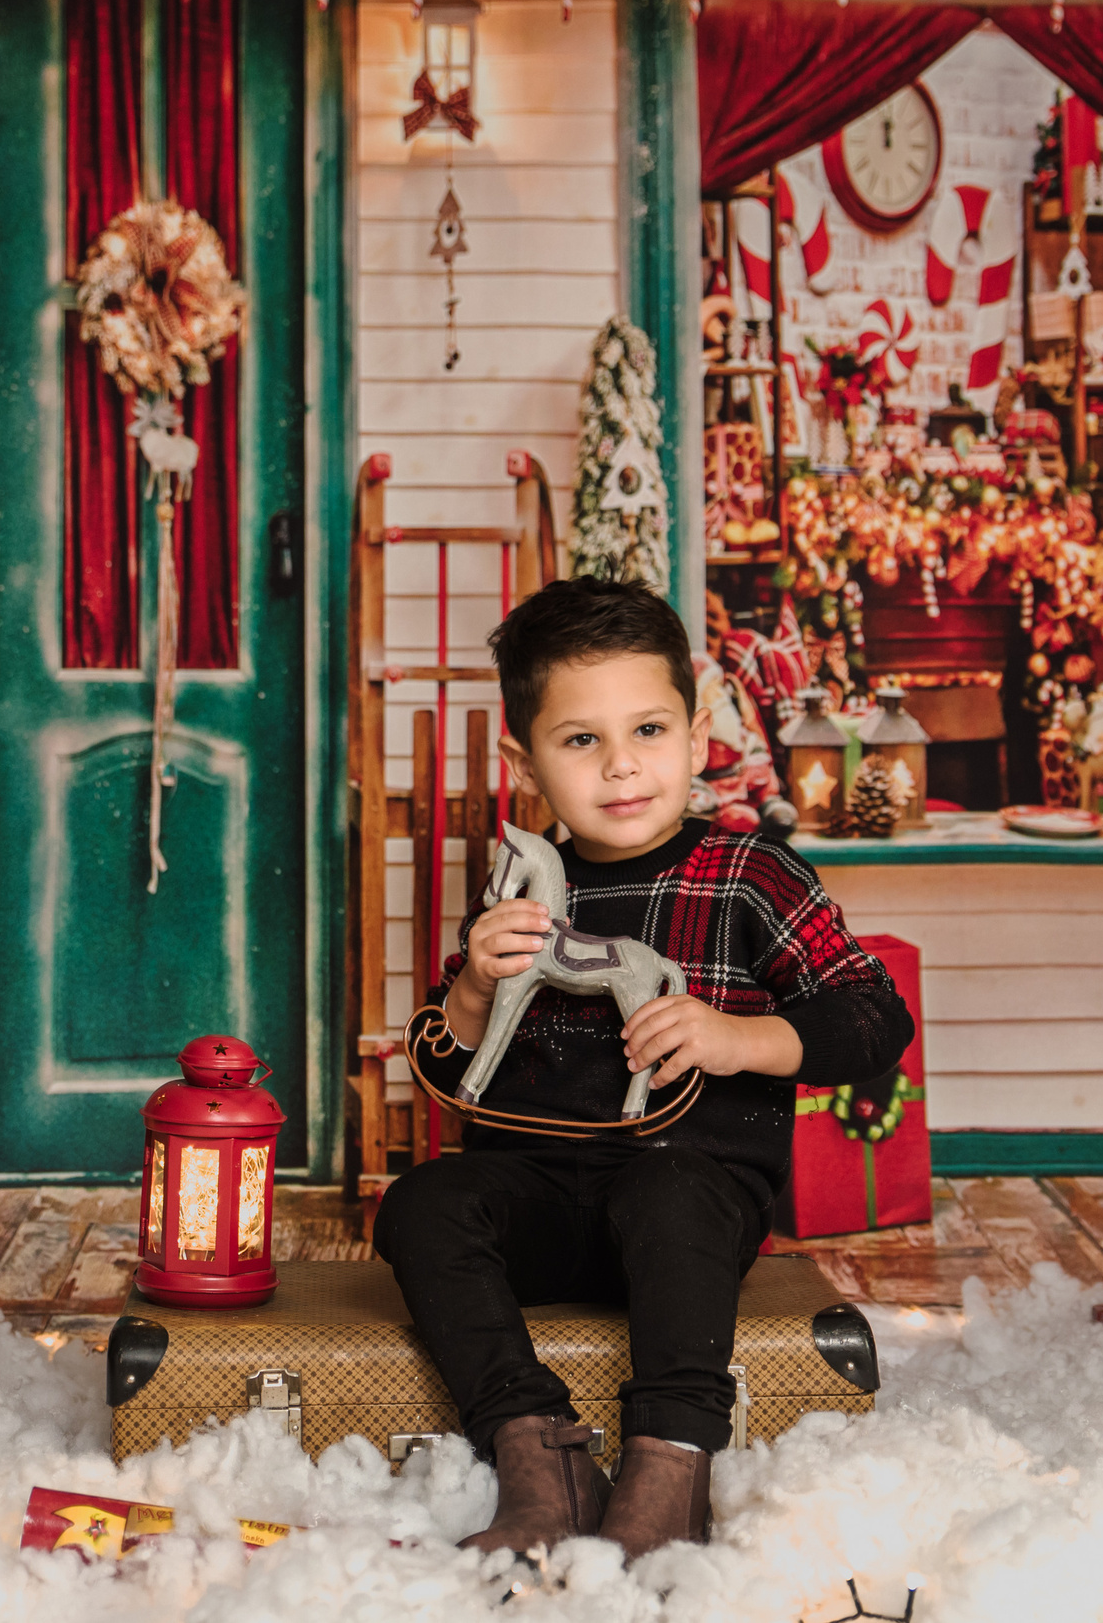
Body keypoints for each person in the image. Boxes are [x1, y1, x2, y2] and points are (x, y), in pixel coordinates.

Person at [374, 577, 915, 1565]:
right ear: (523, 761)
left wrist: (738, 1037)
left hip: (685, 1208)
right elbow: (451, 1065)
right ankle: (538, 1450)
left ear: (699, 732)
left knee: (670, 1189)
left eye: (650, 729)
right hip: (542, 1200)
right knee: (420, 1204)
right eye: (580, 740)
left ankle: (670, 1463)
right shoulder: (522, 895)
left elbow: (874, 1014)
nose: (622, 766)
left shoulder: (751, 872)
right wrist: (467, 987)